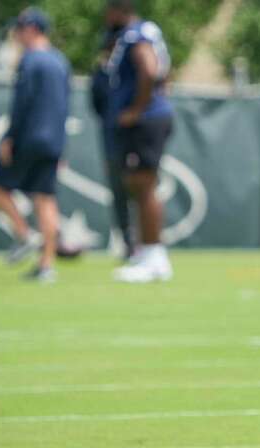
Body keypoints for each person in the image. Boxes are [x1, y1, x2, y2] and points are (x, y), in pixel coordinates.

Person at [0, 7, 71, 283]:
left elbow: (22, 104)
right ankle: (47, 266)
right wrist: (61, 146)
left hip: (30, 138)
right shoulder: (60, 62)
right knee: (45, 197)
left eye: (19, 29)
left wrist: (10, 137)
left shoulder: (31, 61)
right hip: (53, 141)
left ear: (31, 29)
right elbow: (64, 108)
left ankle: (24, 234)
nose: (16, 35)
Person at [103, 0, 175, 282]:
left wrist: (137, 108)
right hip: (152, 117)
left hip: (145, 120)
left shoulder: (135, 35)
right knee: (139, 184)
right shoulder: (147, 30)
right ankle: (148, 252)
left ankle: (155, 256)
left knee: (144, 186)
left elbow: (149, 68)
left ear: (118, 10)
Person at [90, 28, 135, 261]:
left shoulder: (131, 71)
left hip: (135, 139)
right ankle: (128, 243)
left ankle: (147, 242)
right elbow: (98, 107)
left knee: (139, 190)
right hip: (113, 142)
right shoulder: (102, 74)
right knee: (119, 193)